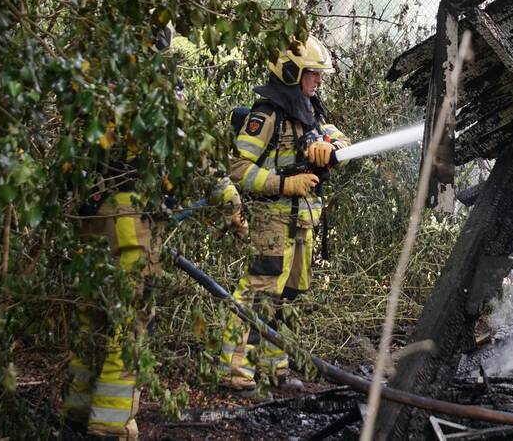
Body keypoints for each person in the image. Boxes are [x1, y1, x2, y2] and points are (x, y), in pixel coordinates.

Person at [60, 29, 244, 439]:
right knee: (129, 324)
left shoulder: (90, 75)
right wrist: (228, 198)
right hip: (131, 219)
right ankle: (111, 427)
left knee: (93, 317)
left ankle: (75, 414)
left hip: (91, 217)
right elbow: (192, 149)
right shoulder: (153, 85)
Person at [219, 35, 349, 390]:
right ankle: (234, 370)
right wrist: (283, 184)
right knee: (259, 291)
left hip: (304, 221)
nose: (318, 81)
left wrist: (329, 146)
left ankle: (272, 367)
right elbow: (238, 169)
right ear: (292, 72)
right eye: (313, 74)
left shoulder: (313, 109)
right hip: (273, 220)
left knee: (287, 295)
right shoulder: (267, 114)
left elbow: (343, 140)